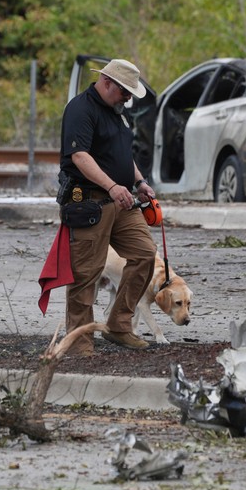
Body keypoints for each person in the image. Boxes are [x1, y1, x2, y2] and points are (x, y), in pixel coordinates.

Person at [58, 58, 158, 356]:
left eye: (131, 93)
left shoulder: (116, 113)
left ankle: (119, 325)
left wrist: (139, 182)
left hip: (122, 200)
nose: (128, 98)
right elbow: (80, 157)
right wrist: (112, 187)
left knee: (144, 254)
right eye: (125, 91)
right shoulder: (80, 110)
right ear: (106, 83)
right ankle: (79, 344)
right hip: (89, 202)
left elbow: (121, 154)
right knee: (85, 274)